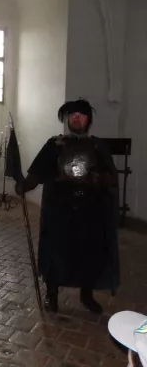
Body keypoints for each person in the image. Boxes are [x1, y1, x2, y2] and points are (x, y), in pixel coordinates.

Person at [15, 98, 120, 314]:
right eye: (72, 115)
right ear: (66, 119)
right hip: (59, 208)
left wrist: (96, 178)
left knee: (90, 254)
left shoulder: (98, 146)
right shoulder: (54, 144)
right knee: (56, 252)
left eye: (81, 115)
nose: (76, 118)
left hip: (91, 210)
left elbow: (111, 177)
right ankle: (51, 295)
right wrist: (25, 185)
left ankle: (87, 295)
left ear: (88, 120)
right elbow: (37, 172)